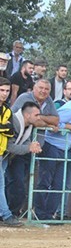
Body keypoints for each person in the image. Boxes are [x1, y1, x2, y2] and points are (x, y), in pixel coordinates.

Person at [33, 89, 71, 220]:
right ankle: (41, 213)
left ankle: (48, 214)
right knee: (46, 181)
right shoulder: (70, 109)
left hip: (61, 148)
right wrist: (69, 126)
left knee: (58, 183)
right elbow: (54, 122)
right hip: (51, 145)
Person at [5, 102, 42, 217]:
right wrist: (28, 147)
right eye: (36, 115)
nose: (39, 117)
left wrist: (31, 145)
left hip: (12, 157)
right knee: (15, 185)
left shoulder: (28, 125)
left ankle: (11, 213)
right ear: (27, 115)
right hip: (6, 155)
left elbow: (24, 142)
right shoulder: (15, 122)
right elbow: (9, 146)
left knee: (17, 185)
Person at [0, 77, 23, 226]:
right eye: (2, 90)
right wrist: (4, 128)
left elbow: (11, 130)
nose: (5, 94)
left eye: (7, 91)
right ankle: (6, 215)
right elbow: (6, 129)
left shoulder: (7, 109)